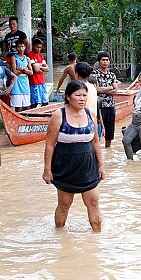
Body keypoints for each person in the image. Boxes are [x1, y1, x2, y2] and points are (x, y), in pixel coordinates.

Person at [42, 80, 104, 232]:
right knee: (64, 204)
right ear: (68, 97)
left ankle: (97, 239)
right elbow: (50, 144)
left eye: (85, 95)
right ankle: (60, 236)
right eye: (78, 95)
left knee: (94, 202)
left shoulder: (91, 114)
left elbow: (96, 142)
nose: (82, 98)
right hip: (65, 166)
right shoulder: (58, 115)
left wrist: (101, 165)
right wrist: (47, 170)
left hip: (88, 165)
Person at [94, 51, 119, 148]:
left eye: (107, 60)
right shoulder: (94, 75)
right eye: (103, 60)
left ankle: (108, 151)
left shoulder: (112, 75)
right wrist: (109, 88)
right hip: (99, 107)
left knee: (110, 132)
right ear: (99, 62)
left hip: (110, 106)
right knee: (98, 131)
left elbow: (116, 91)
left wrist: (102, 90)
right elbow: (95, 90)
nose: (105, 62)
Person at [10, 40, 33, 111]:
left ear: (25, 47)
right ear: (16, 48)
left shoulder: (27, 58)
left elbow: (31, 72)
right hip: (17, 83)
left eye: (22, 46)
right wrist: (25, 69)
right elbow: (15, 71)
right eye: (19, 47)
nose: (21, 48)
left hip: (25, 83)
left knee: (27, 106)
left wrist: (22, 69)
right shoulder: (14, 57)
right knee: (18, 107)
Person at [75, 62, 99, 127]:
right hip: (92, 121)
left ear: (76, 74)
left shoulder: (77, 87)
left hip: (81, 122)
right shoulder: (93, 87)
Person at [28, 38, 50, 108]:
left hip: (42, 81)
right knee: (34, 102)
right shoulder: (30, 55)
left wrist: (39, 66)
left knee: (45, 102)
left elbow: (47, 69)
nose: (39, 49)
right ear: (34, 46)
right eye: (37, 47)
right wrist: (42, 68)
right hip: (34, 82)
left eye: (40, 47)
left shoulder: (41, 55)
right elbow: (36, 70)